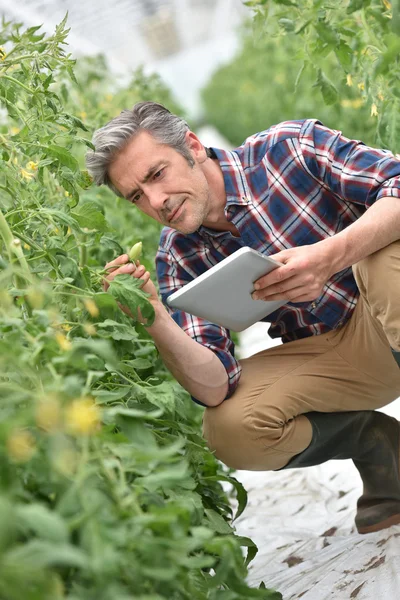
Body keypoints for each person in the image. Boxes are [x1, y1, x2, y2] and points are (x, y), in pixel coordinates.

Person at [86, 101, 400, 535]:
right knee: (230, 428)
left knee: (386, 255)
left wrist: (330, 257)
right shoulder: (178, 256)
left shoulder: (287, 149)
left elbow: (396, 183)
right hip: (346, 359)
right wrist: (152, 315)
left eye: (156, 174)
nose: (156, 201)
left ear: (192, 146)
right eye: (136, 196)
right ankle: (381, 448)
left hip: (389, 303)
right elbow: (214, 387)